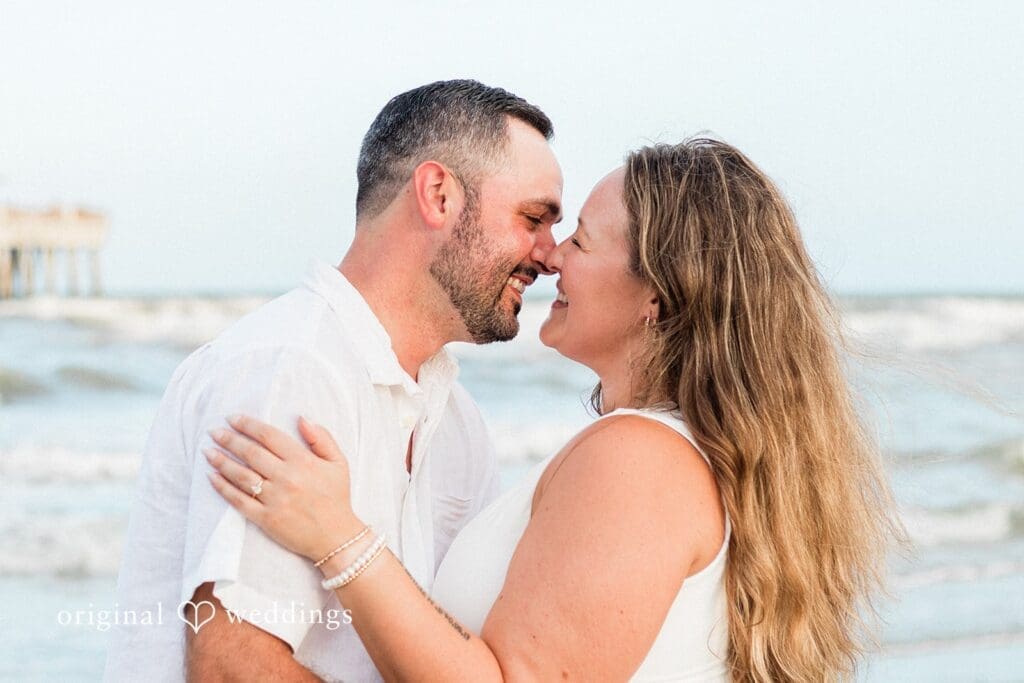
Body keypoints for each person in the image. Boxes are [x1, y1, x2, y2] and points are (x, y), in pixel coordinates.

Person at [208, 138, 903, 682]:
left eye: (582, 239)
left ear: (656, 296)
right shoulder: (663, 454)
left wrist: (339, 535)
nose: (551, 257)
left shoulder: (639, 460)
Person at [103, 79, 564, 682]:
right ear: (439, 195)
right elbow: (230, 668)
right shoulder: (289, 367)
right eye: (534, 218)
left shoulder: (458, 422)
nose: (551, 254)